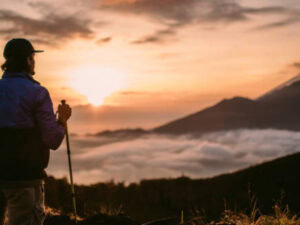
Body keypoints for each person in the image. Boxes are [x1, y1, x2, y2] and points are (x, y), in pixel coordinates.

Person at [0, 38, 71, 225]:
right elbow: (52, 140)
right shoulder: (37, 93)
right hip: (24, 179)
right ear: (28, 60)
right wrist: (62, 120)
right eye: (33, 57)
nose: (35, 61)